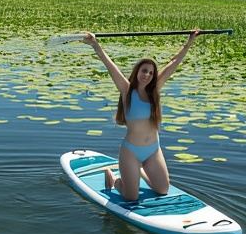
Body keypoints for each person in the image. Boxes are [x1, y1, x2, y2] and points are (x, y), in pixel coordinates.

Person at [83, 29, 200, 202]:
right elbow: (109, 64)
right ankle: (114, 179)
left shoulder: (155, 91)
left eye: (151, 73)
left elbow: (174, 62)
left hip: (153, 150)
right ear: (137, 71)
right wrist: (95, 44)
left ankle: (141, 171)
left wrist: (189, 42)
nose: (147, 75)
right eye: (144, 71)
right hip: (131, 152)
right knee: (132, 197)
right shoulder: (126, 90)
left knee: (163, 189)